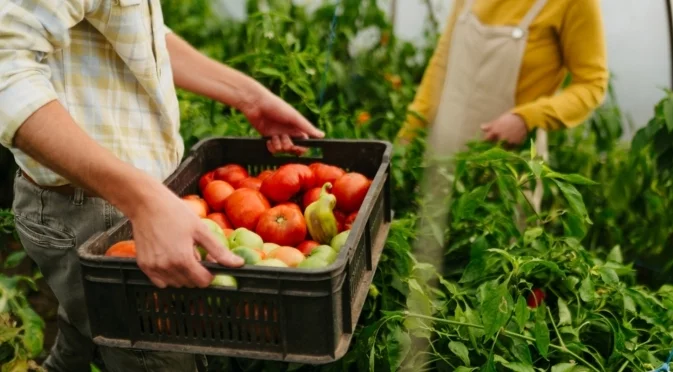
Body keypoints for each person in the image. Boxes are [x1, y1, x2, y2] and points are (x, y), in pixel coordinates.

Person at [0, 1, 323, 371]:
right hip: (92, 206)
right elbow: (5, 72)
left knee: (88, 327)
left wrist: (248, 95)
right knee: (157, 355)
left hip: (132, 197)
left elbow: (140, 34)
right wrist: (143, 202)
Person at [397, 0, 609, 204]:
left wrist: (527, 118)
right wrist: (409, 134)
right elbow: (442, 63)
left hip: (507, 172)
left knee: (497, 236)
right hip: (441, 154)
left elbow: (592, 84)